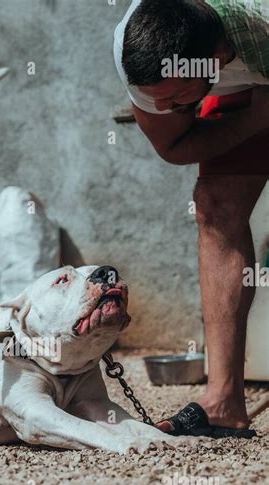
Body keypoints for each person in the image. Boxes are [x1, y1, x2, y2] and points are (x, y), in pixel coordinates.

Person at [114, 0, 268, 438]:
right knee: (216, 204)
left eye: (179, 97)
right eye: (160, 98)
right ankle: (223, 402)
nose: (170, 107)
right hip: (246, 90)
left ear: (217, 56)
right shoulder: (136, 50)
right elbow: (174, 146)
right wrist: (258, 116)